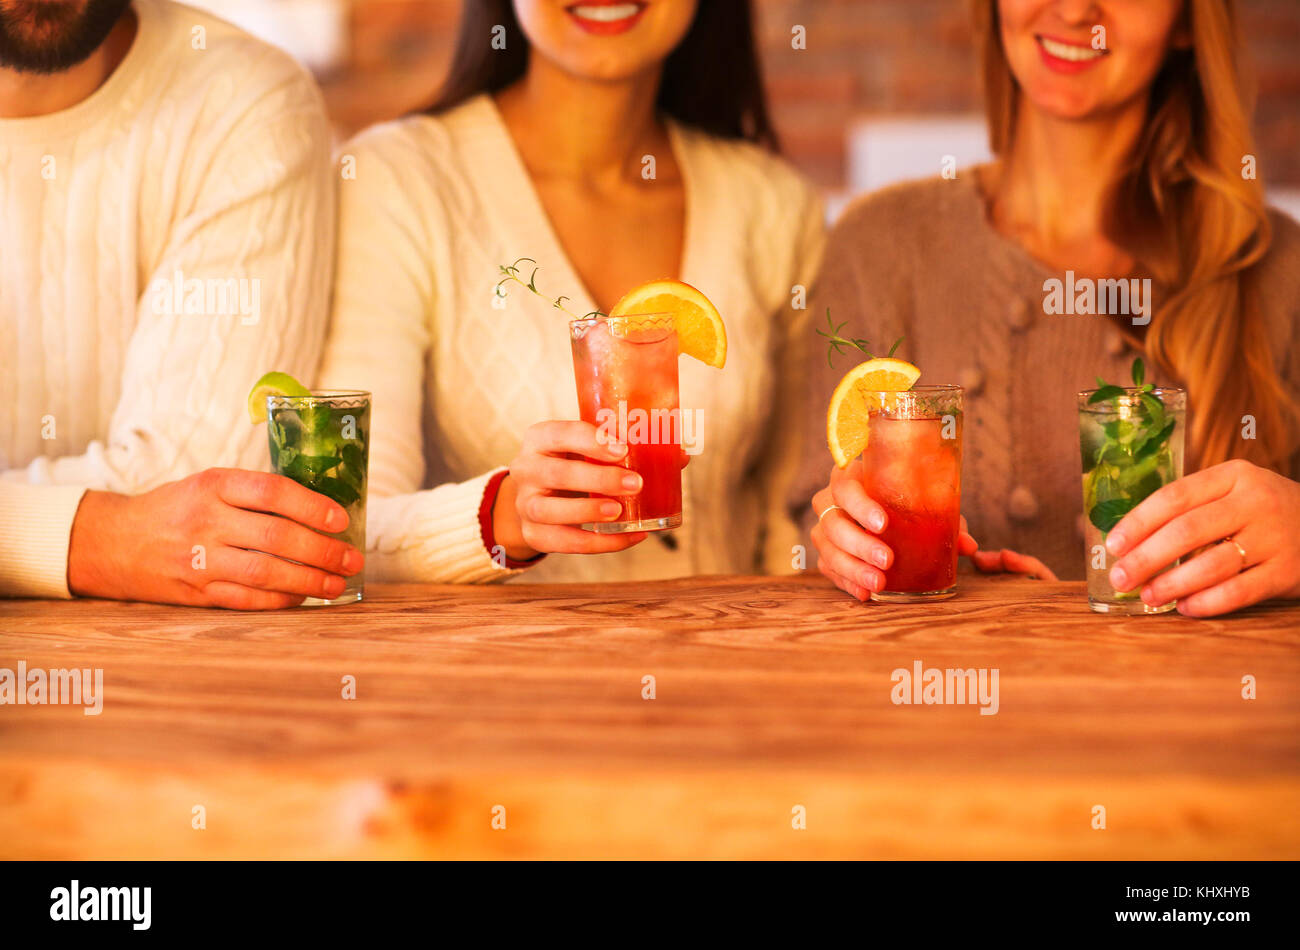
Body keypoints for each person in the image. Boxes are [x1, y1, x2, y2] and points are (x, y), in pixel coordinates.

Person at [803, 0, 1300, 616]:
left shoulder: (1279, 269)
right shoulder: (879, 243)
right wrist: (842, 532)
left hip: (1190, 709)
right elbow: (804, 521)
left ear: (1186, 22)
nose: (1072, 10)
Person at [319, 0, 824, 583]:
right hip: (505, 670)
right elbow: (345, 526)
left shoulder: (774, 206)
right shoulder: (397, 181)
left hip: (736, 664)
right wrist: (504, 515)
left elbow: (793, 527)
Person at [0, 0, 360, 608]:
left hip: (161, 668)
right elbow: (146, 528)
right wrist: (95, 535)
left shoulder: (243, 103)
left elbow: (197, 505)